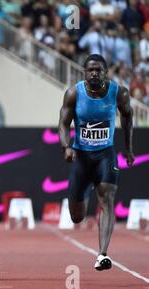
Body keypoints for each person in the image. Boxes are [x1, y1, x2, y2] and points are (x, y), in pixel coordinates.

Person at [58, 54, 134, 271]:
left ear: (105, 72)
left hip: (105, 155)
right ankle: (84, 193)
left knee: (107, 199)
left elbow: (128, 118)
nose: (94, 74)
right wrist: (67, 146)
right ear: (84, 72)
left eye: (98, 70)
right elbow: (63, 123)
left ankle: (102, 254)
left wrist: (128, 148)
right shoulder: (74, 93)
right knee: (77, 217)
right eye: (90, 70)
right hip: (81, 157)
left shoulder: (119, 93)